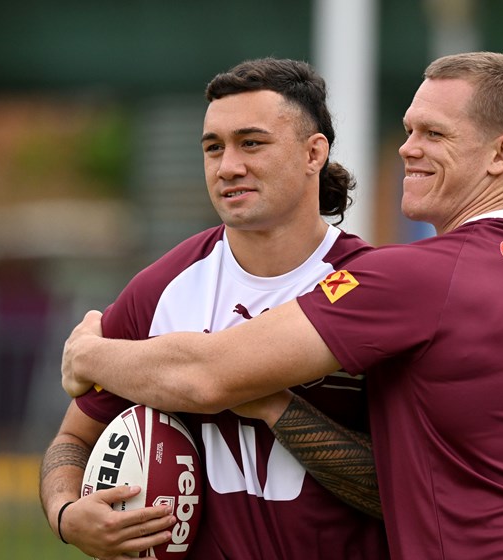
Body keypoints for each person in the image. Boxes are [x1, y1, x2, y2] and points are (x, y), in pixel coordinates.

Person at [62, 52, 503, 559]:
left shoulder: (417, 275)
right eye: (409, 129)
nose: (407, 149)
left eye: (434, 135)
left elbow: (208, 374)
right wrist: (67, 514)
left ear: (501, 155)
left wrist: (89, 354)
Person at [40, 57, 390, 560]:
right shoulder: (160, 289)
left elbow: (403, 491)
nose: (228, 166)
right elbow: (73, 436)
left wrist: (267, 400)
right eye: (213, 148)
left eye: (251, 143)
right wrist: (67, 514)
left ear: (314, 153)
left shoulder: (373, 289)